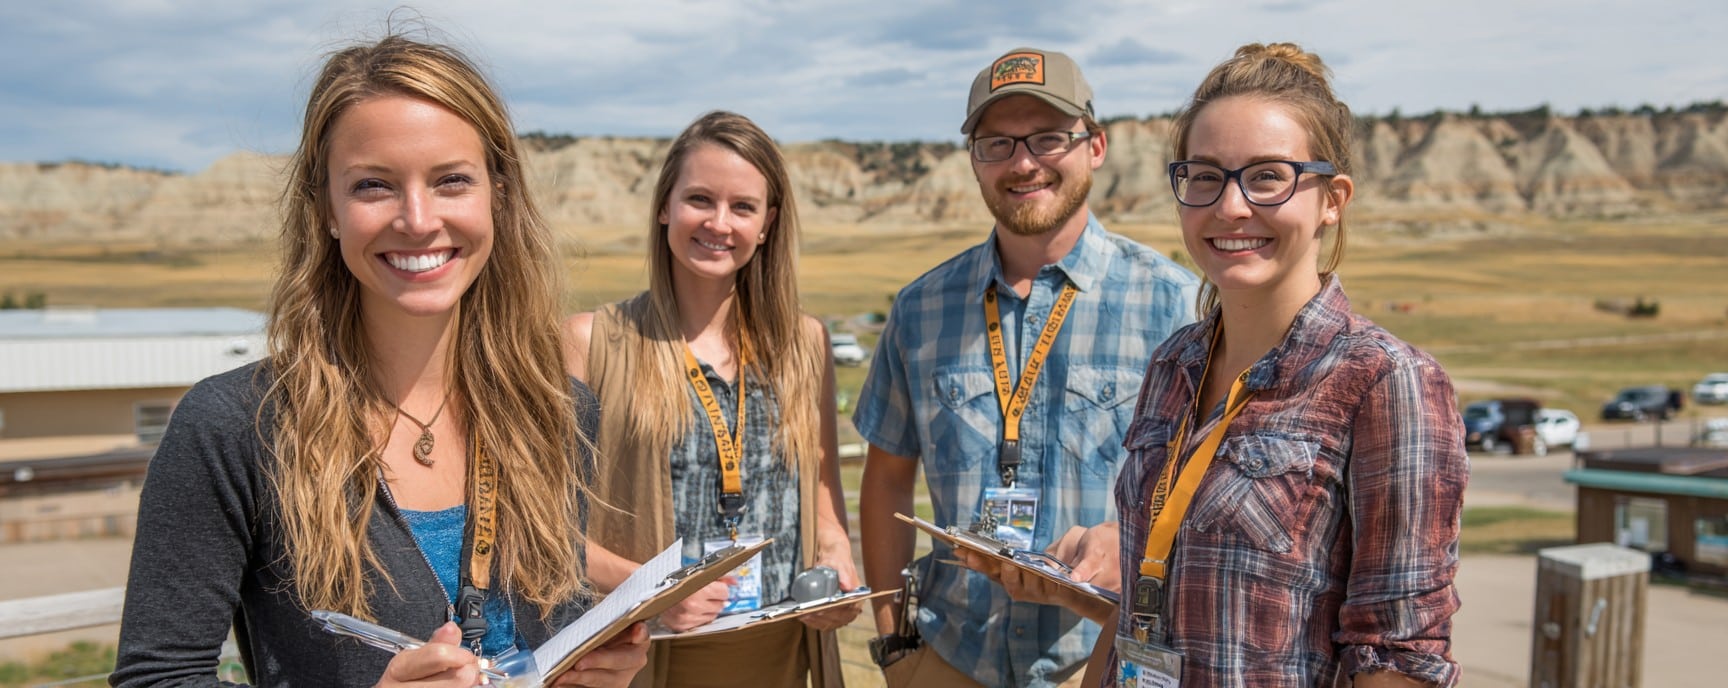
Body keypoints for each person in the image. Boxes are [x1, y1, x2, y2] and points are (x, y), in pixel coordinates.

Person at [110, 34, 649, 687]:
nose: (418, 220)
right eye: (374, 185)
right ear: (326, 210)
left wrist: (592, 671)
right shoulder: (236, 428)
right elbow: (156, 678)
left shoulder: (559, 411)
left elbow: (543, 638)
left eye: (451, 180)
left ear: (498, 196)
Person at [1083, 43, 1467, 688]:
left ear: (1332, 199)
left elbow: (1397, 660)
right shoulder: (1173, 363)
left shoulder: (1384, 383)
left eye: (1267, 176)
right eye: (1204, 176)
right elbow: (1139, 610)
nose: (1230, 206)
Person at [854, 47, 1199, 688]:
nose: (1022, 162)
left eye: (1048, 138)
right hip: (949, 655)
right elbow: (886, 481)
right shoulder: (920, 308)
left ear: (1094, 146)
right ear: (974, 160)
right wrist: (895, 644)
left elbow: (1208, 494)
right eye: (997, 144)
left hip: (1103, 659)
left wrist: (1126, 545)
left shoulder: (1174, 303)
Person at [562, 110, 860, 688]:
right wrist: (653, 595)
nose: (719, 223)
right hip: (647, 663)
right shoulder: (590, 343)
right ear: (663, 207)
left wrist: (835, 555)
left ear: (768, 223)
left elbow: (821, 489)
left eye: (743, 207)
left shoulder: (805, 343)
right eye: (699, 199)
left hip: (781, 657)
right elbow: (550, 534)